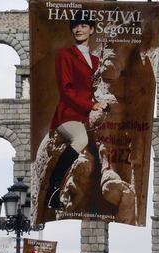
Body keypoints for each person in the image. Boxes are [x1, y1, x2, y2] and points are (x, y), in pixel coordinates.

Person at [46, 11, 105, 209]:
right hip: (67, 114)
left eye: (83, 26)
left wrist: (100, 103)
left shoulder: (96, 61)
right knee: (81, 140)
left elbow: (92, 89)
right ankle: (52, 190)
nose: (78, 29)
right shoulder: (65, 55)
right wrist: (91, 105)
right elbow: (66, 89)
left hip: (85, 116)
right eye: (75, 26)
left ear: (92, 29)